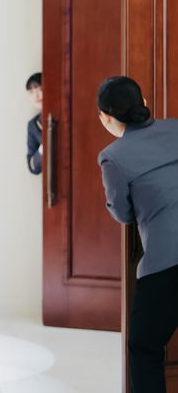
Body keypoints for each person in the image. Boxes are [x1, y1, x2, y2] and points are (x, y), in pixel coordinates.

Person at [97, 75, 178, 393]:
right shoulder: (175, 128)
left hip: (167, 265)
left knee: (144, 348)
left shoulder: (113, 156)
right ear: (144, 102)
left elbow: (123, 213)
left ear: (105, 118)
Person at [26, 72, 43, 175]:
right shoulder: (33, 125)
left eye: (40, 89)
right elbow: (32, 167)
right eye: (31, 92)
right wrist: (42, 150)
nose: (36, 96)